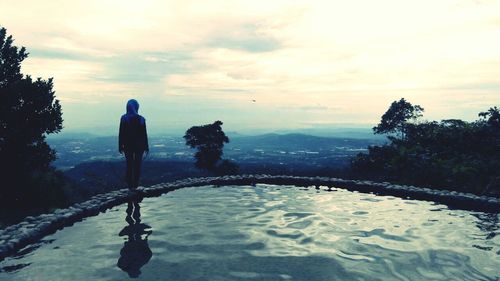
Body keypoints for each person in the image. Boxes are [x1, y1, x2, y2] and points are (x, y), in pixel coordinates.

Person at [119, 99, 149, 190]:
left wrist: (120, 145)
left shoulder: (124, 118)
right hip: (139, 146)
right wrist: (146, 146)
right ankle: (135, 185)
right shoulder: (141, 119)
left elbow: (121, 133)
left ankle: (130, 186)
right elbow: (144, 134)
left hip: (128, 146)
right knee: (137, 165)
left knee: (129, 165)